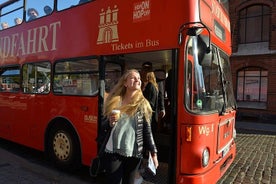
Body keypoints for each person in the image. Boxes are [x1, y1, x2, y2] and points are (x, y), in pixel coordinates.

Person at [102, 69, 158, 184]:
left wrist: (153, 153)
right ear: (125, 83)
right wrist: (110, 123)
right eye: (133, 77)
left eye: (139, 78)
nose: (138, 79)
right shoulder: (115, 101)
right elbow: (103, 124)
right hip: (113, 151)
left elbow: (147, 131)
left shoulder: (143, 104)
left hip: (134, 152)